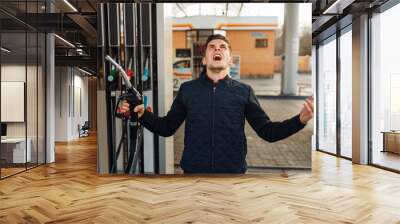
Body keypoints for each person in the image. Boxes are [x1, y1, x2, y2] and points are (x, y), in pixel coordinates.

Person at [118, 34, 314, 174]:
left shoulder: (244, 92)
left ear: (229, 59)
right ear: (204, 59)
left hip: (232, 173)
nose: (217, 49)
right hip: (194, 172)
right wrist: (142, 115)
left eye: (223, 47)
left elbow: (268, 132)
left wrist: (300, 120)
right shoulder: (188, 90)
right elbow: (167, 127)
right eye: (212, 47)